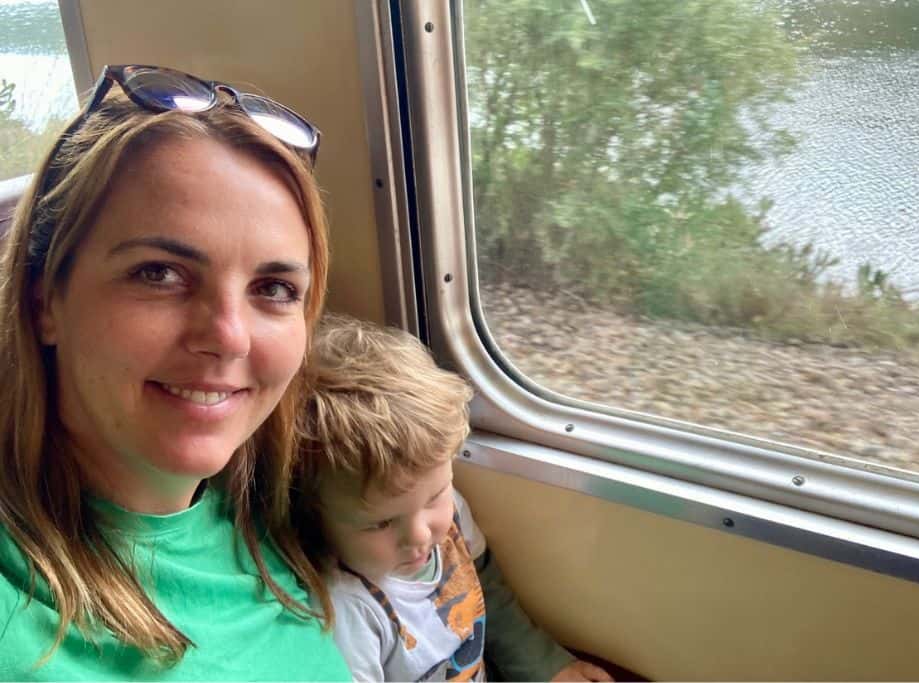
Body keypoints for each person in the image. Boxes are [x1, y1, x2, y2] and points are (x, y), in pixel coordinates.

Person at [0, 65, 351, 679]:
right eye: (159, 273)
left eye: (273, 287)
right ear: (43, 300)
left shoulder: (286, 503)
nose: (229, 336)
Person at [292, 314, 614, 682]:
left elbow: (485, 589)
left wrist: (545, 666)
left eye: (434, 497)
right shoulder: (348, 615)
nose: (420, 535)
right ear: (315, 514)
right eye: (380, 523)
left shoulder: (452, 511)